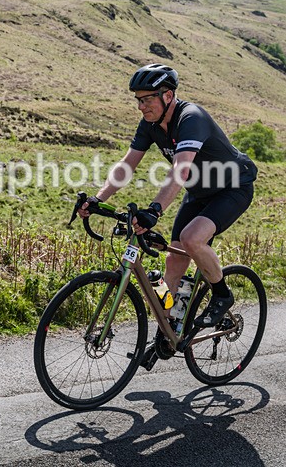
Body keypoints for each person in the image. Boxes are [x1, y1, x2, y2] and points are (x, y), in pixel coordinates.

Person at [79, 63, 257, 361]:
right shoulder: (149, 124)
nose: (141, 106)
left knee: (191, 239)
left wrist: (154, 211)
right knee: (173, 264)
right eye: (137, 99)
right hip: (199, 193)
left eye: (147, 99)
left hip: (232, 188)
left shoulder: (191, 118)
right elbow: (127, 165)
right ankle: (169, 334)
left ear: (168, 96)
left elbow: (179, 170)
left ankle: (222, 294)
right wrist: (98, 199)